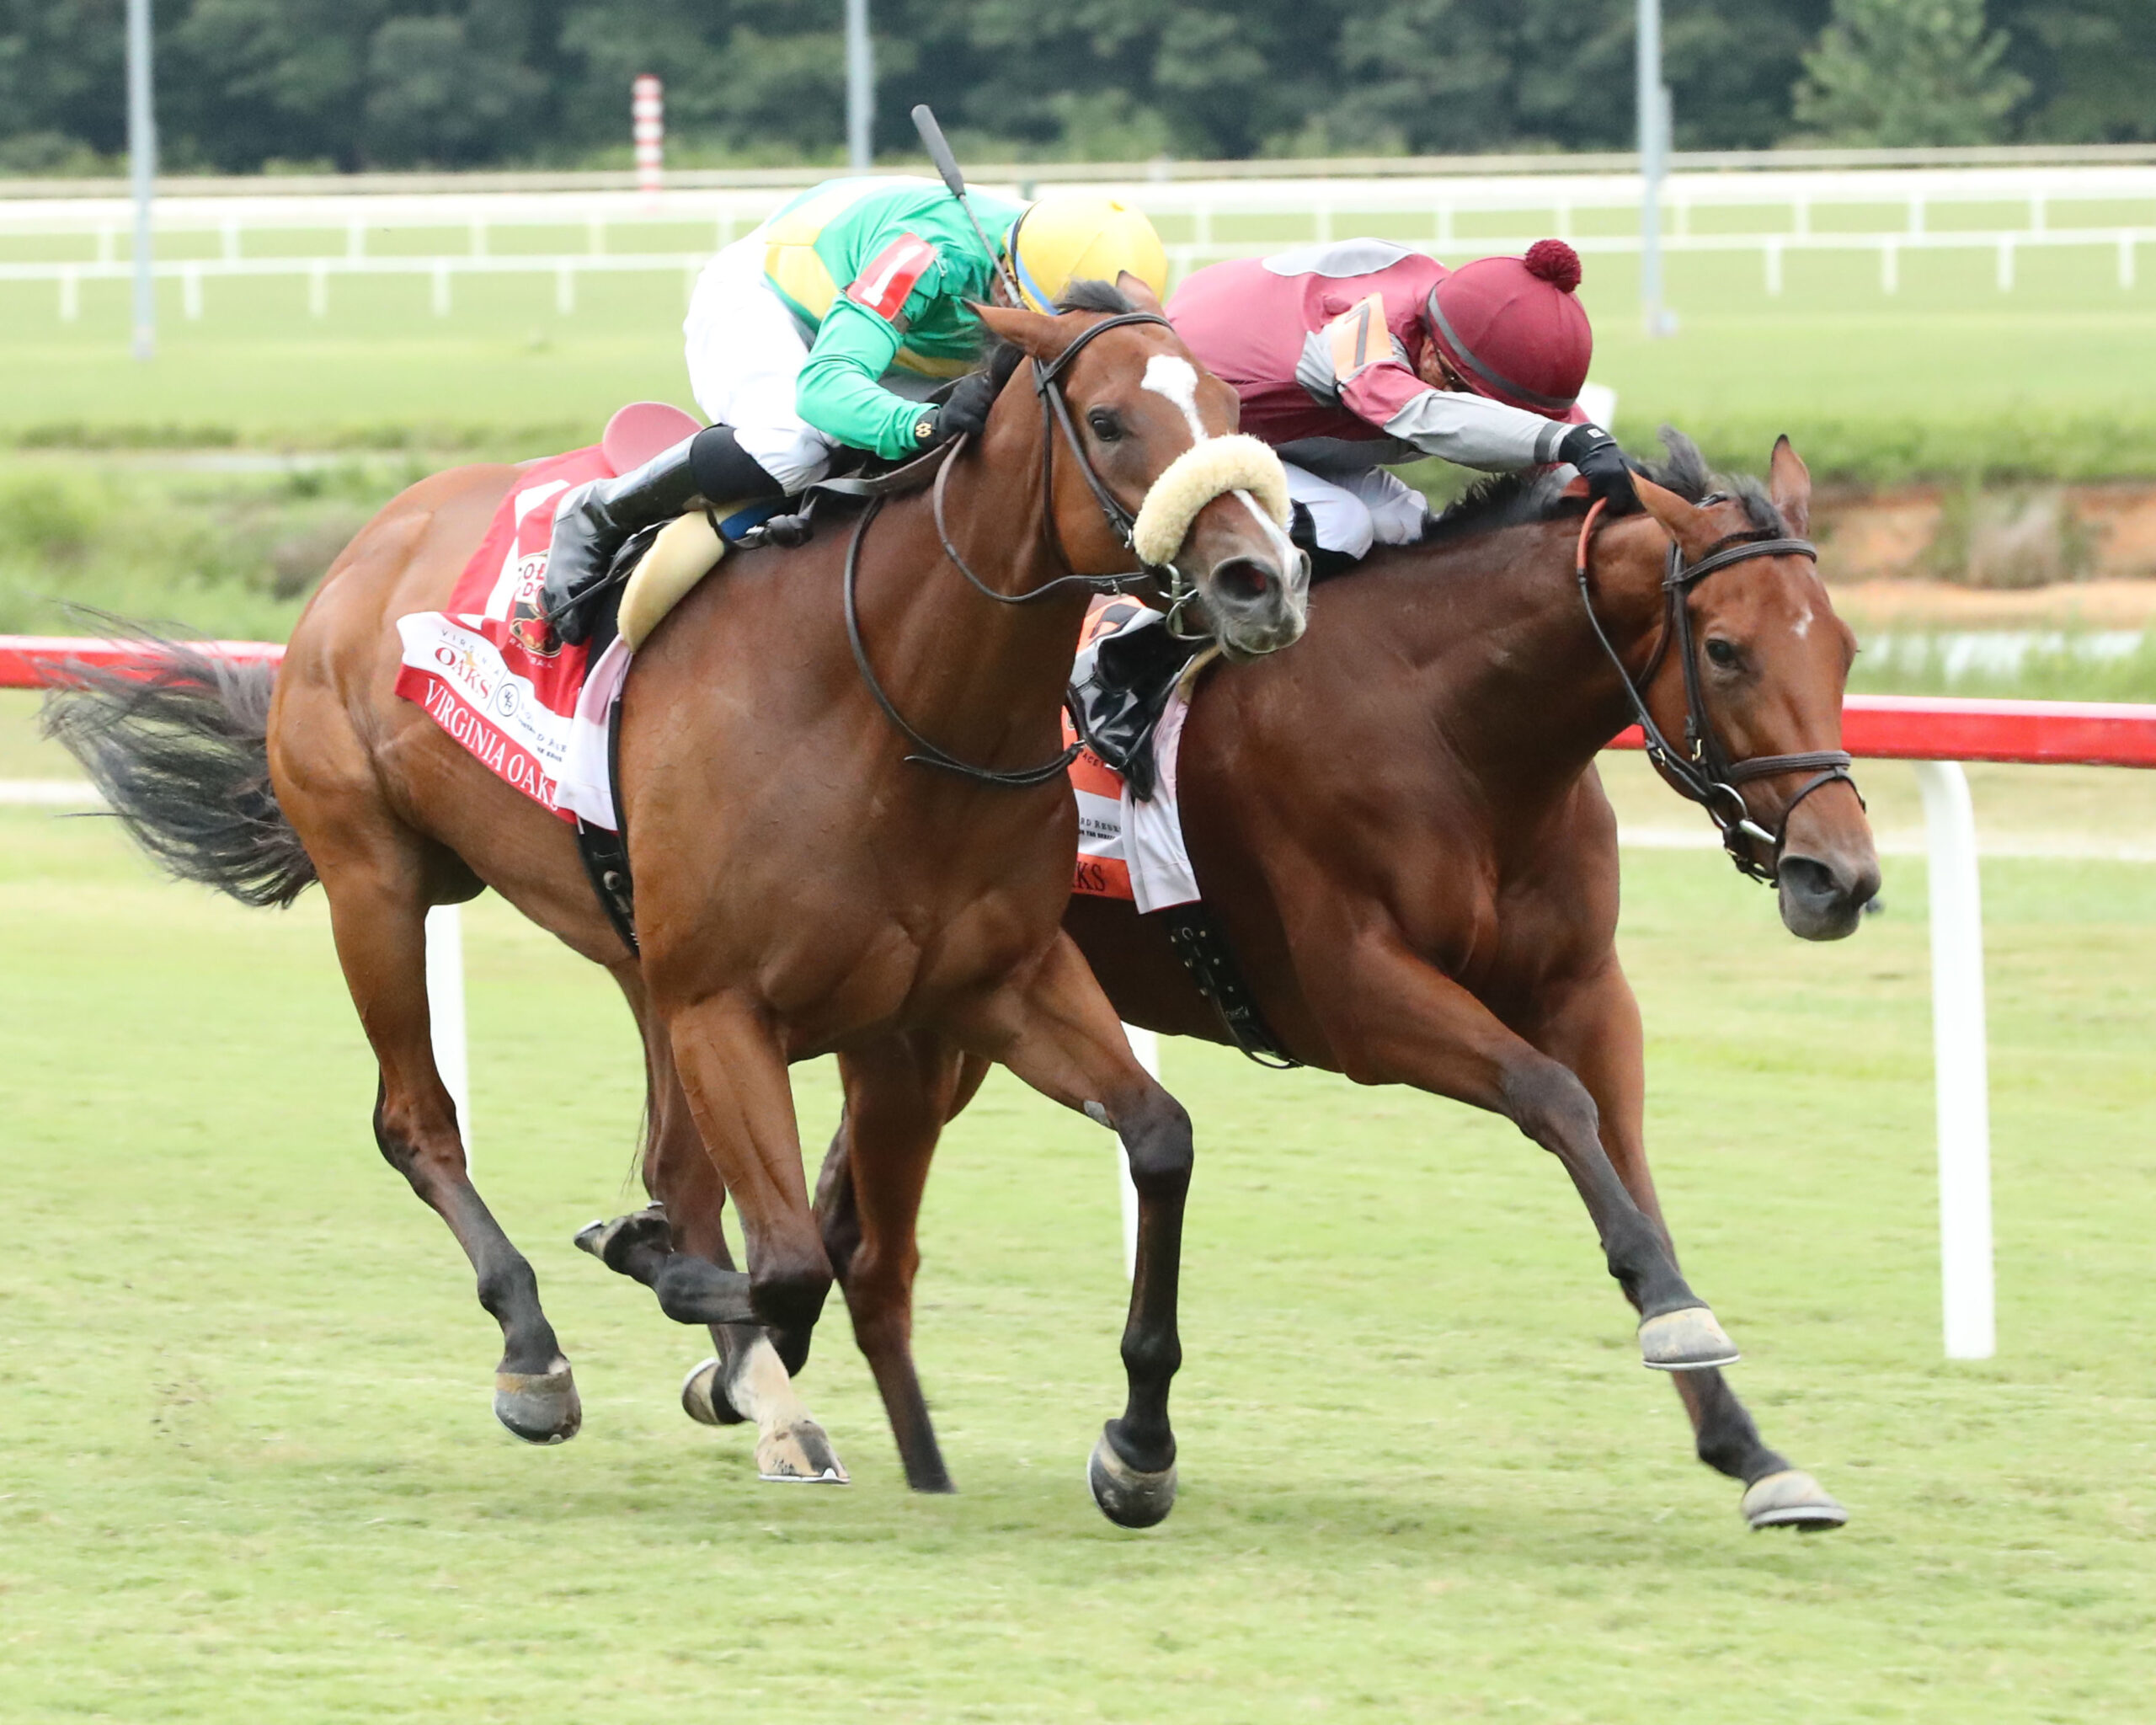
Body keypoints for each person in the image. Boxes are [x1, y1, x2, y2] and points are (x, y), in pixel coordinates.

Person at [537, 175, 1170, 644]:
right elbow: (827, 387)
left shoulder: (1069, 262)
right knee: (795, 443)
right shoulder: (926, 256)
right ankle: (601, 511)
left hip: (899, 343)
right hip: (775, 307)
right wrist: (918, 424)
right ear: (1009, 276)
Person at [1166, 236, 1632, 573]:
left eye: (1483, 404)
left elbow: (1570, 442)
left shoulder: (1462, 312)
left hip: (1279, 437)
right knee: (1340, 527)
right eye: (1452, 384)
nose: (1461, 406)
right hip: (1174, 426)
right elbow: (1415, 412)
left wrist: (1628, 481)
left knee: (1403, 526)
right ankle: (1137, 649)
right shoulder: (1363, 323)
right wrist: (1564, 442)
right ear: (1430, 344)